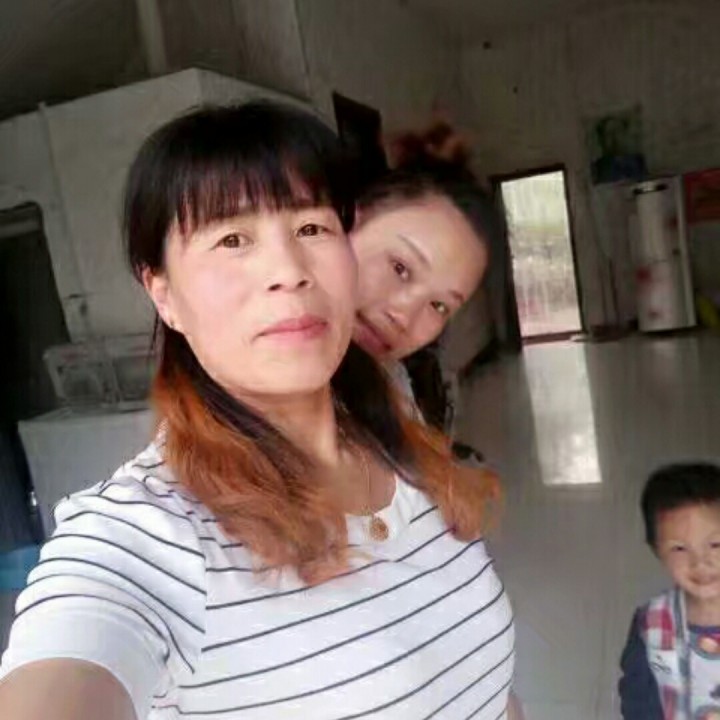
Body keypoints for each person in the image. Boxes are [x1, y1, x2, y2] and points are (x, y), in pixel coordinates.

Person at [0, 101, 515, 720]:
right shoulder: (145, 538)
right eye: (232, 239)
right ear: (164, 294)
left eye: (311, 229)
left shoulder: (400, 438)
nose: (288, 271)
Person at [349, 121, 504, 433]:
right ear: (347, 220)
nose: (403, 317)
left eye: (439, 305)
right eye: (400, 268)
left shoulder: (396, 389)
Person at [619, 463, 720, 719]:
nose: (700, 562)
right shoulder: (651, 623)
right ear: (657, 550)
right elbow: (639, 700)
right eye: (679, 549)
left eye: (715, 544)